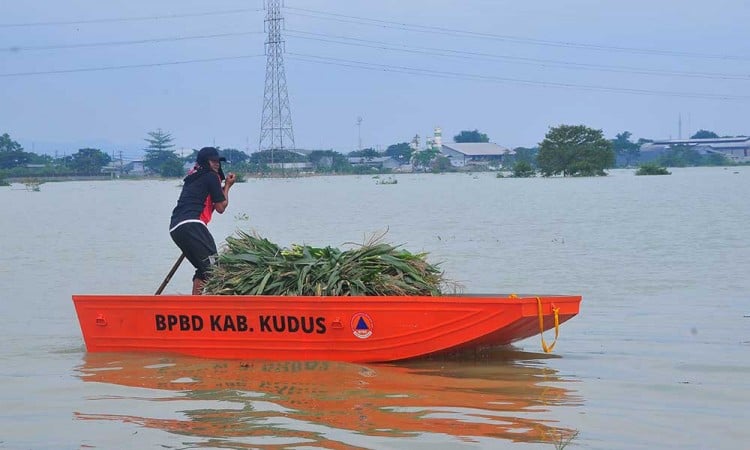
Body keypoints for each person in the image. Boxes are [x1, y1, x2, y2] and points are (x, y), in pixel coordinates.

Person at [169, 146, 236, 294]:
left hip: (176, 228)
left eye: (218, 161)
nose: (217, 164)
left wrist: (222, 187)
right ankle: (207, 302)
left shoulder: (193, 177)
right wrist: (228, 187)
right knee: (214, 265)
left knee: (204, 267)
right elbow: (220, 207)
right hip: (192, 225)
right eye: (213, 161)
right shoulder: (211, 176)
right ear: (206, 162)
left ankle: (196, 303)